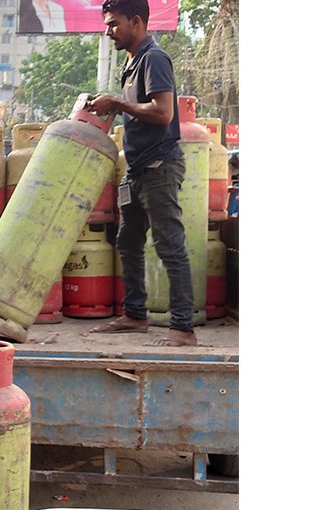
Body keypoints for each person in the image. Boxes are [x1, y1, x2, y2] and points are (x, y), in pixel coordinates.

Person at [86, 0, 196, 347]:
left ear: (136, 21)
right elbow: (137, 112)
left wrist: (116, 104)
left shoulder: (154, 58)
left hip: (159, 165)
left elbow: (163, 113)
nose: (108, 31)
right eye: (106, 24)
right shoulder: (131, 63)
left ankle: (183, 328)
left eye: (114, 24)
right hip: (136, 168)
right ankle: (135, 314)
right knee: (128, 242)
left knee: (169, 245)